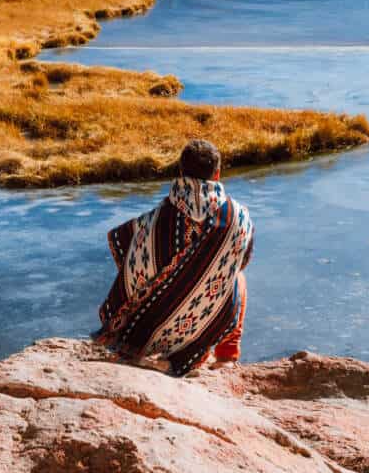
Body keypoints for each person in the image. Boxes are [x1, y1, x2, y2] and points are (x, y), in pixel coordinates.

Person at [94, 139, 254, 376]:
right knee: (237, 279)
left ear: (180, 172)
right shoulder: (239, 216)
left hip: (148, 328)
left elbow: (121, 243)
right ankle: (225, 356)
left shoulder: (154, 220)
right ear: (217, 174)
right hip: (203, 322)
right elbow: (242, 261)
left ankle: (136, 347)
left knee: (139, 266)